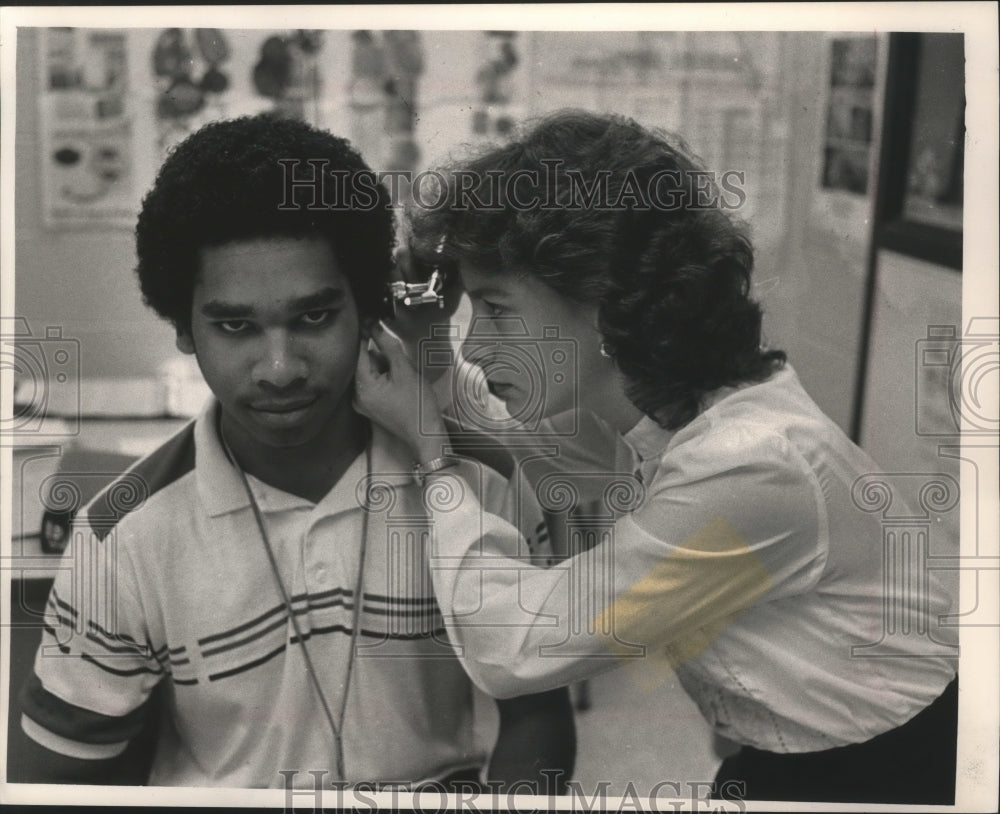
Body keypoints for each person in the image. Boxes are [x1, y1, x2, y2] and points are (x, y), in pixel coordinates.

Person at [354, 110, 959, 804]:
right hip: (789, 752)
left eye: (495, 309)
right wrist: (427, 335)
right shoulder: (664, 410)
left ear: (605, 303)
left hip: (890, 777)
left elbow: (518, 646)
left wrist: (433, 456)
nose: (475, 345)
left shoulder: (748, 465)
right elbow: (500, 421)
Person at [17, 114, 575, 789]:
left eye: (313, 317)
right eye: (235, 325)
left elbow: (537, 717)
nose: (279, 367)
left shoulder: (479, 481)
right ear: (184, 329)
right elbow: (68, 778)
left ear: (368, 308)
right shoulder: (122, 533)